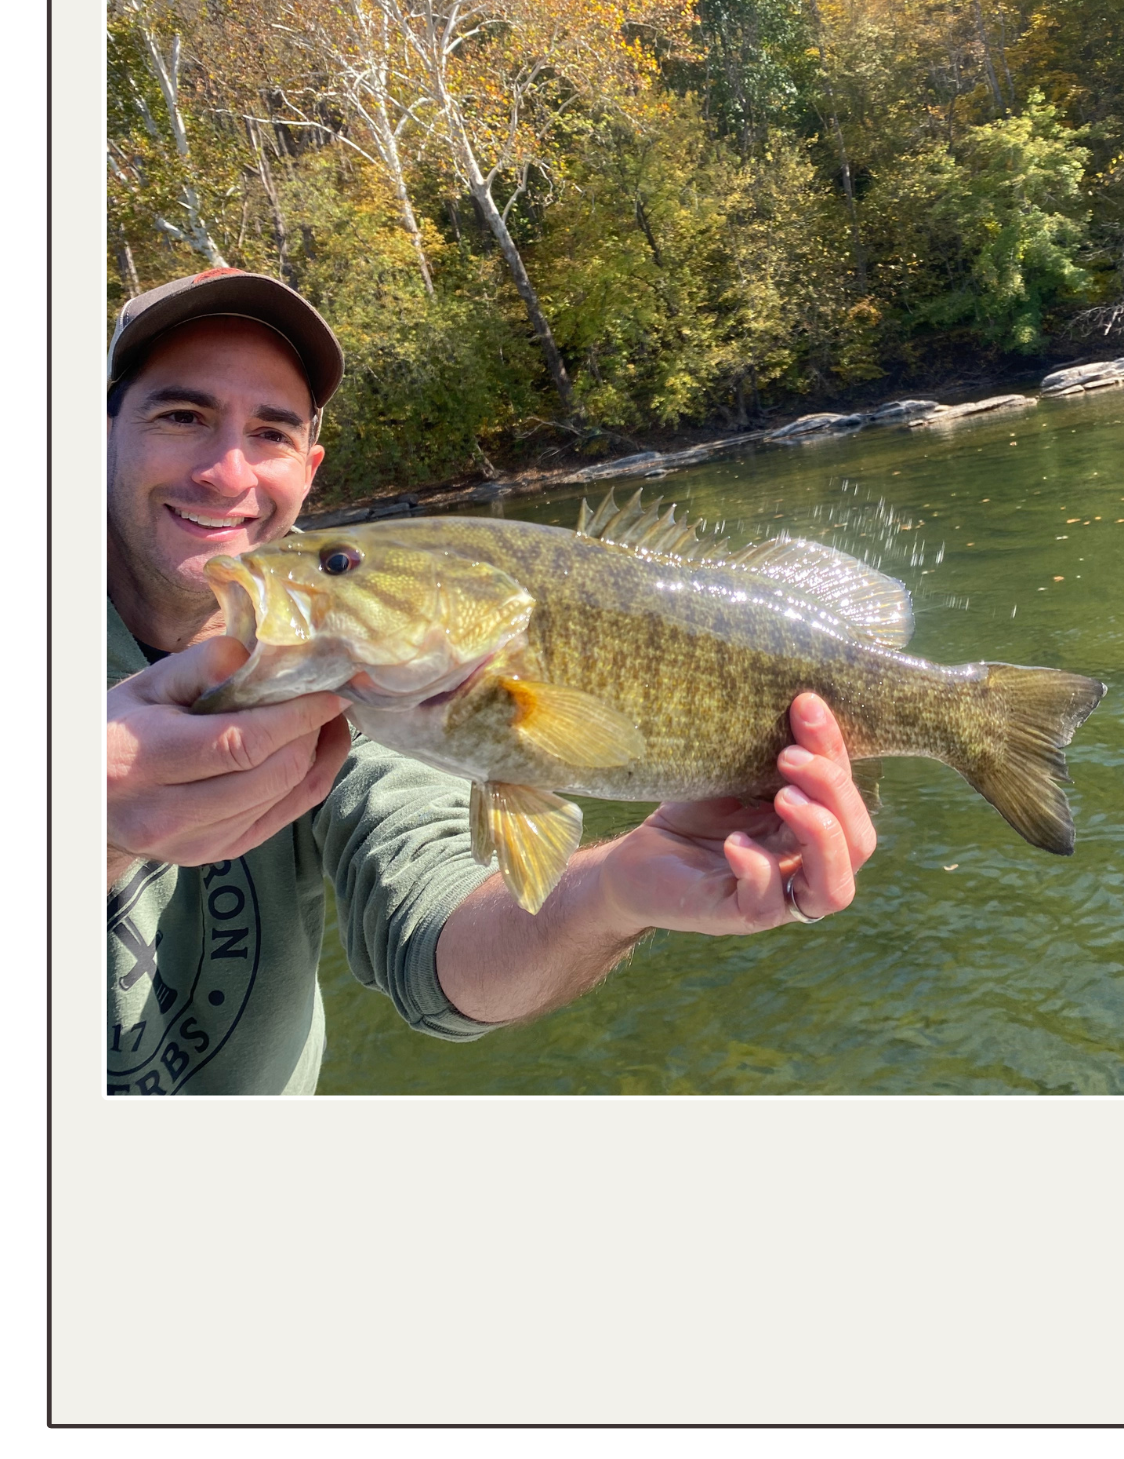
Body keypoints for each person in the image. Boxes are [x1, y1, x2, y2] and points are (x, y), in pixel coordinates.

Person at [106, 268, 879, 1094]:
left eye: (271, 433)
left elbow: (435, 934)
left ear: (309, 465)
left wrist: (618, 893)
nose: (228, 473)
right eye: (181, 415)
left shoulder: (346, 687)